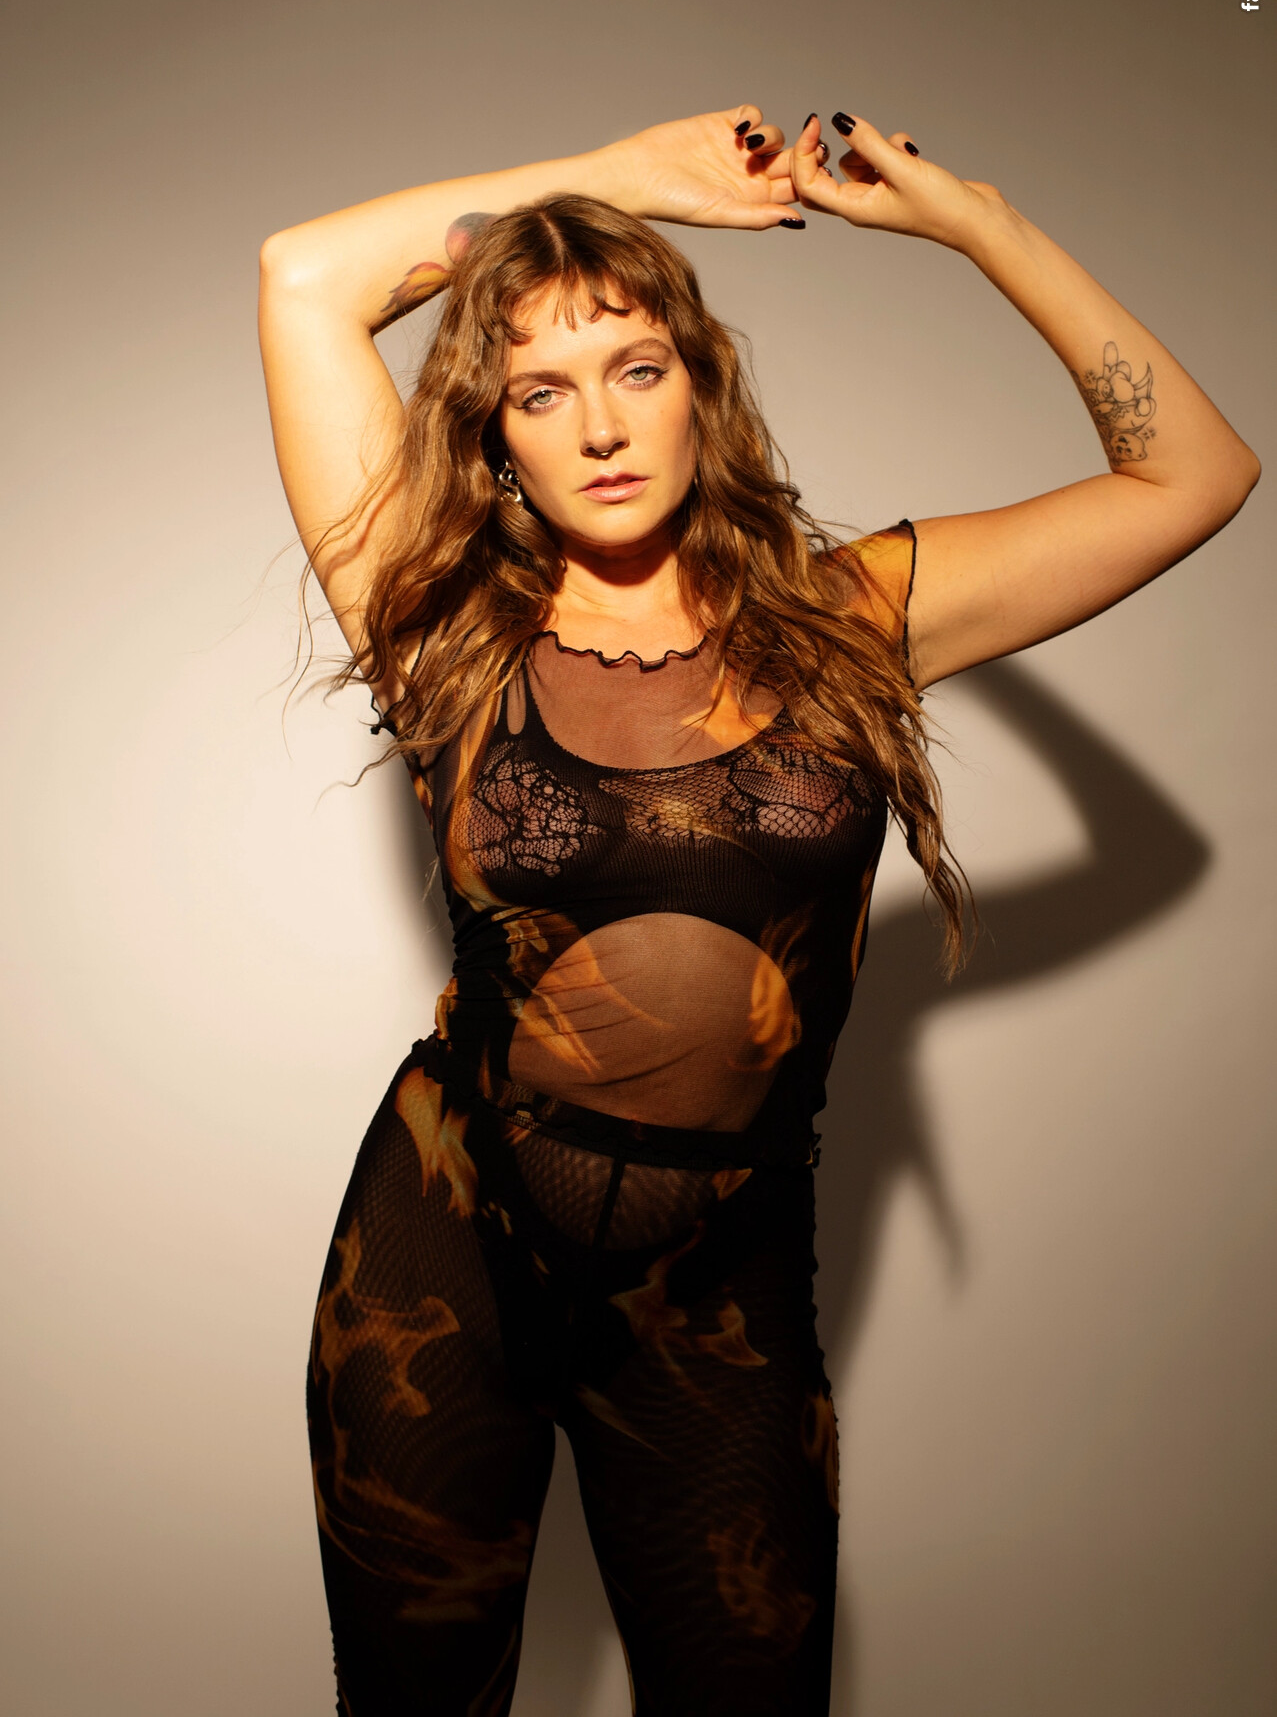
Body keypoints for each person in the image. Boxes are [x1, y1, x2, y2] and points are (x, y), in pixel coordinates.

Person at [258, 106, 1258, 1716]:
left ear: (702, 387)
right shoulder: (436, 618)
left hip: (718, 1295)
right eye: (541, 389)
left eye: (636, 366)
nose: (599, 426)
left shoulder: (853, 616)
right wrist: (619, 185)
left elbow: (1195, 475)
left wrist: (974, 222)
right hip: (444, 1264)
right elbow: (304, 276)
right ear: (495, 435)